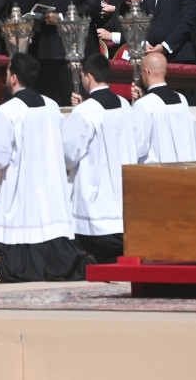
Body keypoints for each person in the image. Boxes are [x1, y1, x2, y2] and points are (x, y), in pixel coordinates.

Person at [0, 53, 92, 283]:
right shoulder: (52, 107)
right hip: (49, 183)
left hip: (21, 185)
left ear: (13, 78)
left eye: (8, 72)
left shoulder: (6, 112)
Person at [61, 54, 135, 265]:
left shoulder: (85, 111)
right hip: (124, 204)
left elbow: (68, 154)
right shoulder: (125, 105)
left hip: (95, 208)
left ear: (88, 76)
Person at [129, 53, 196, 164]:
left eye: (141, 71)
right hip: (185, 168)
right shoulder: (181, 99)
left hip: (155, 171)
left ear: (146, 72)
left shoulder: (143, 105)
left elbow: (136, 147)